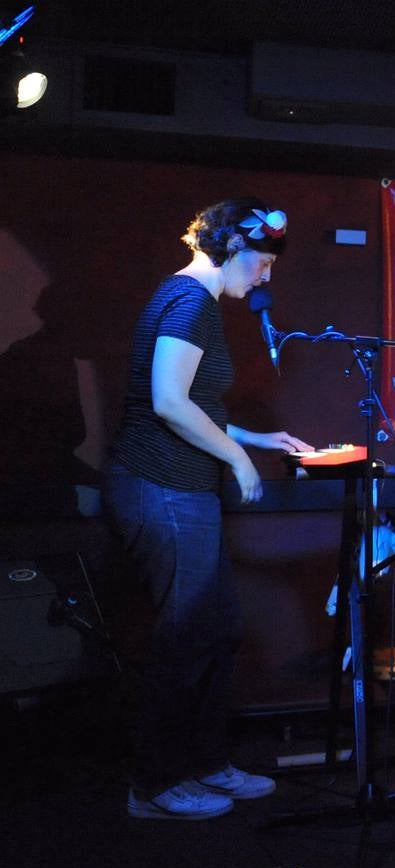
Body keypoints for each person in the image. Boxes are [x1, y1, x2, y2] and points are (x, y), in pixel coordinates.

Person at [103, 198, 313, 820]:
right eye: (262, 260)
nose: (267, 274)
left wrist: (254, 439)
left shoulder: (196, 303)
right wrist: (239, 461)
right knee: (185, 638)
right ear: (228, 246)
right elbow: (167, 402)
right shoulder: (191, 301)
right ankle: (155, 783)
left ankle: (205, 762)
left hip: (182, 489)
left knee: (217, 630)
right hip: (159, 487)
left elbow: (194, 403)